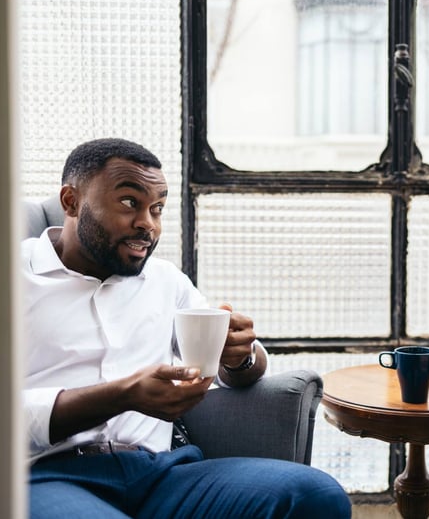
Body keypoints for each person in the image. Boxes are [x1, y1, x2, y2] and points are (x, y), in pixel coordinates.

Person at [23, 138, 351, 519]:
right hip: (46, 476)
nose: (147, 224)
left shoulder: (165, 281)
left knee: (316, 495)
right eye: (130, 202)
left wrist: (240, 355)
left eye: (157, 208)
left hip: (161, 473)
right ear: (71, 201)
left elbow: (233, 368)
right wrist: (122, 395)